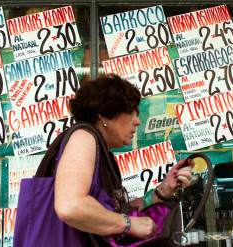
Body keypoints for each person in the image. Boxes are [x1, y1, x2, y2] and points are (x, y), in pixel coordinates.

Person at [18, 75, 194, 246]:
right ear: (104, 115)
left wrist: (162, 191)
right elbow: (70, 206)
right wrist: (129, 224)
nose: (138, 121)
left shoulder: (101, 152)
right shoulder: (83, 137)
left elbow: (109, 212)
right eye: (132, 112)